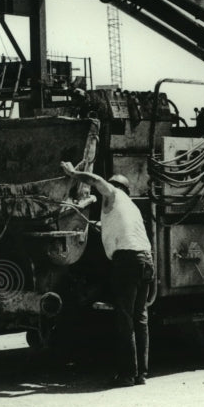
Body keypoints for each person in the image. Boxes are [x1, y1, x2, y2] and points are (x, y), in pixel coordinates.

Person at [60, 161, 153, 387]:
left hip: (127, 262)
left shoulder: (114, 194)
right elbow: (113, 227)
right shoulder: (130, 206)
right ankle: (141, 373)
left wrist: (73, 174)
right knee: (140, 317)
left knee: (124, 317)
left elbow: (98, 181)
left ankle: (127, 374)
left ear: (115, 188)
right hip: (146, 259)